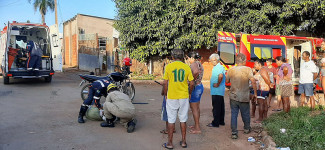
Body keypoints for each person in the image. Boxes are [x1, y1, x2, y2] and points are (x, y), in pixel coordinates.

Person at [162, 49, 194, 149]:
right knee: (183, 119)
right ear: (182, 57)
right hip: (183, 96)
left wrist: (165, 94)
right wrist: (189, 93)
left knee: (171, 119)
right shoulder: (186, 67)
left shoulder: (168, 67)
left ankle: (170, 143)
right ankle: (184, 142)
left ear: (172, 57)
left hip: (172, 96)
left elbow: (165, 83)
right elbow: (192, 83)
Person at [226, 53, 257, 139]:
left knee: (234, 114)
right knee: (245, 113)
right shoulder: (248, 69)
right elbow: (253, 81)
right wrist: (255, 93)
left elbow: (227, 80)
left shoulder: (231, 70)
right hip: (244, 95)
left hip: (233, 95)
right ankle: (247, 129)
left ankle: (234, 133)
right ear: (243, 61)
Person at [186, 51, 204, 134]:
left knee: (194, 108)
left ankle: (197, 128)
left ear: (192, 58)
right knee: (197, 107)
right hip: (200, 86)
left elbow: (196, 72)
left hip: (195, 87)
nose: (188, 60)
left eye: (189, 58)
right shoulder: (199, 63)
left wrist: (191, 80)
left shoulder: (193, 64)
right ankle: (196, 124)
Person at [207, 53, 226, 128]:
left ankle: (215, 122)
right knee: (220, 106)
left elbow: (220, 76)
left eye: (212, 60)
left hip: (217, 90)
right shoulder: (219, 66)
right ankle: (221, 121)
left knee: (216, 107)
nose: (211, 62)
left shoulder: (218, 67)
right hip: (219, 91)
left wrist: (217, 84)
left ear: (215, 60)